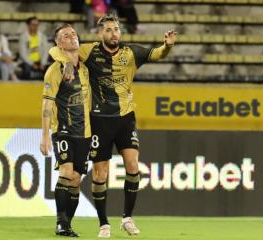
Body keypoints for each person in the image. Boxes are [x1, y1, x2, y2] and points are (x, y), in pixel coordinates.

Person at [49, 14, 177, 238]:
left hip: (125, 118)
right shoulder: (90, 51)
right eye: (108, 30)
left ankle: (127, 218)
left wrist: (167, 46)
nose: (113, 33)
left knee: (133, 165)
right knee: (100, 174)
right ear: (101, 34)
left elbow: (156, 54)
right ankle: (103, 223)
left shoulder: (131, 52)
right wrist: (67, 63)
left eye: (116, 29)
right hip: (99, 121)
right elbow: (59, 50)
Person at [40, 24, 91, 237]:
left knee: (76, 179)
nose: (71, 37)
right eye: (65, 36)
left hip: (85, 132)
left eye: (73, 34)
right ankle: (61, 223)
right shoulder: (55, 70)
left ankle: (68, 224)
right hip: (63, 130)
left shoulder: (86, 67)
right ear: (59, 44)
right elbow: (47, 105)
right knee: (66, 173)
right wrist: (44, 136)